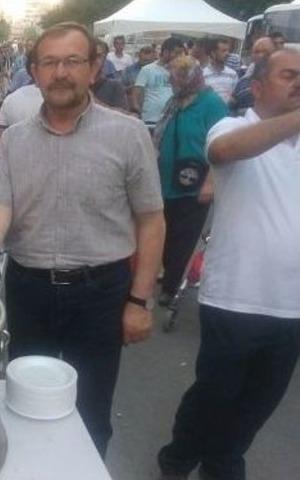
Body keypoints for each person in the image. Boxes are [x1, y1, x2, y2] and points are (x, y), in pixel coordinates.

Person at [0, 22, 165, 457]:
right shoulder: (13, 141)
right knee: (26, 404)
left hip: (102, 294)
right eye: (49, 62)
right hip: (30, 291)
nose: (61, 72)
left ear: (94, 68)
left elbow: (152, 220)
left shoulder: (128, 134)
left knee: (90, 410)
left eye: (73, 61)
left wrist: (139, 302)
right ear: (33, 70)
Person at [157, 48, 300, 480]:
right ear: (256, 86)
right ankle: (178, 459)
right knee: (215, 394)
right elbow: (223, 152)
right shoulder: (233, 125)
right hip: (236, 298)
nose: (299, 83)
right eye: (289, 75)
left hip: (291, 306)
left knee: (260, 402)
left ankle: (223, 463)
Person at [152, 55, 228, 306]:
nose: (171, 83)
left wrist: (211, 182)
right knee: (165, 233)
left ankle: (171, 286)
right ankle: (169, 273)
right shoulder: (176, 102)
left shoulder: (212, 104)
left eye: (174, 78)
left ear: (188, 77)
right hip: (166, 182)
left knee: (183, 238)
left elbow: (221, 147)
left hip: (194, 184)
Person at [133, 37, 186, 125]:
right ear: (166, 52)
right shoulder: (147, 70)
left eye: (181, 53)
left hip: (172, 120)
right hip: (151, 119)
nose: (179, 56)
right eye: (177, 53)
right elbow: (137, 93)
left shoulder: (180, 72)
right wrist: (138, 111)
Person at [230, 36, 276, 113]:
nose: (261, 55)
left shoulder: (283, 82)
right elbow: (232, 108)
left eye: (265, 52)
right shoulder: (242, 83)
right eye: (257, 52)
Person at [93, 40, 129, 110]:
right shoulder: (76, 84)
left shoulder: (114, 86)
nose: (93, 59)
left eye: (98, 56)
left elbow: (121, 114)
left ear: (105, 57)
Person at [203, 38, 238, 104]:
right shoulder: (203, 75)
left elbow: (234, 98)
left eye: (228, 50)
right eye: (223, 51)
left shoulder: (233, 74)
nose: (227, 53)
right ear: (213, 53)